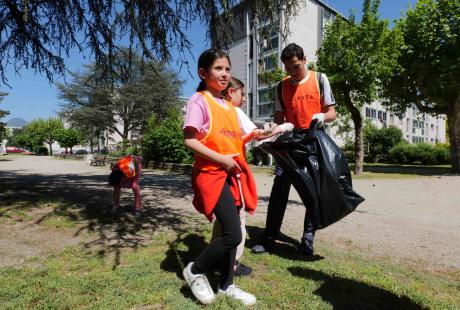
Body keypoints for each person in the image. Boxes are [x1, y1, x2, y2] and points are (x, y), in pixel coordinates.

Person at [181, 49, 257, 306]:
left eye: (227, 69)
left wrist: (258, 137)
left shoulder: (228, 106)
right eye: (218, 69)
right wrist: (222, 159)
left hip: (229, 175)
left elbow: (232, 141)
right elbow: (190, 140)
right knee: (234, 235)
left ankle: (226, 285)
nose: (225, 74)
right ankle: (195, 270)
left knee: (228, 229)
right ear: (203, 73)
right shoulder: (199, 100)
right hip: (210, 175)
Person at [252, 43, 337, 257]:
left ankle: (307, 240)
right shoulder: (281, 87)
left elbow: (331, 113)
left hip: (313, 140)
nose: (292, 72)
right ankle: (270, 236)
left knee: (312, 191)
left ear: (305, 59)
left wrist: (321, 117)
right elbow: (279, 120)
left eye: (295, 67)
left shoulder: (320, 79)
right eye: (288, 68)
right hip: (289, 142)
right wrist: (272, 128)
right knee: (279, 187)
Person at [210, 76, 293, 278]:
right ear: (231, 93)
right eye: (242, 94)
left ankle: (215, 257)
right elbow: (257, 134)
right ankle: (233, 264)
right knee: (237, 217)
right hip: (233, 169)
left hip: (219, 171)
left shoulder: (217, 110)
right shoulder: (234, 111)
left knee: (222, 218)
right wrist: (281, 128)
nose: (245, 99)